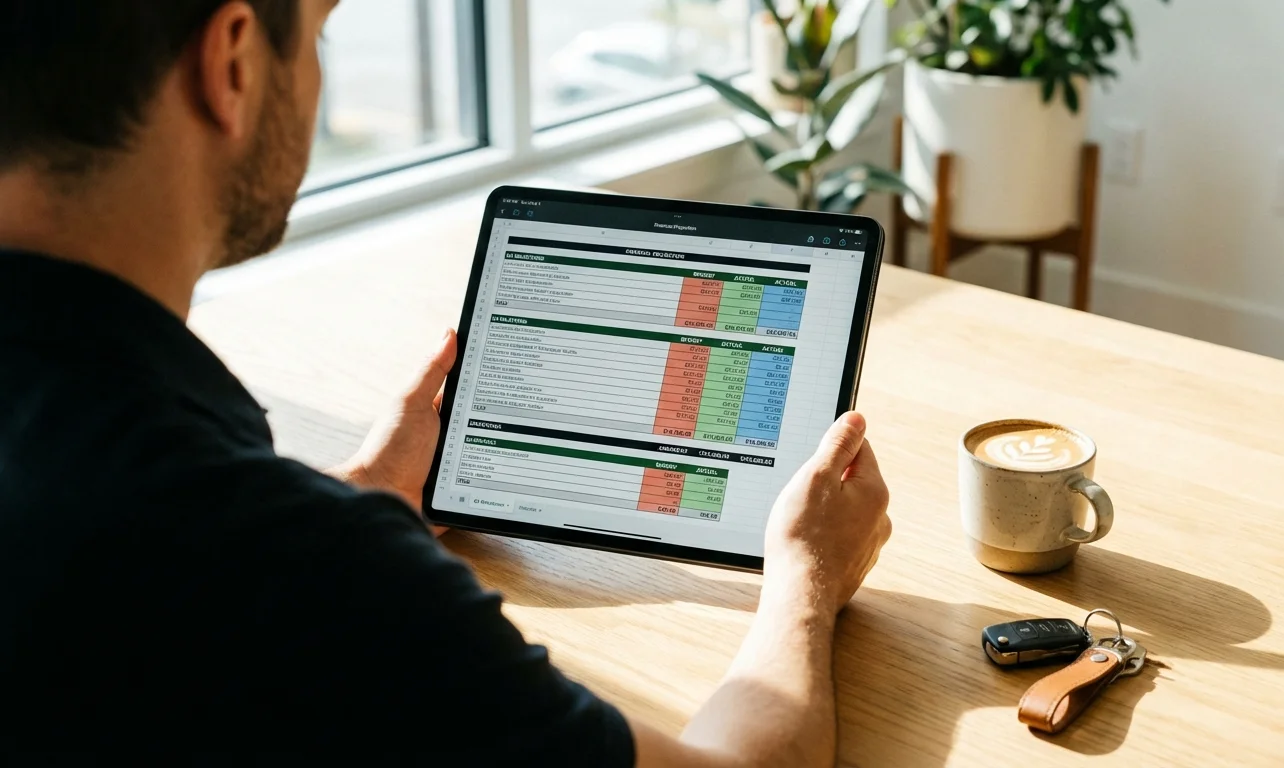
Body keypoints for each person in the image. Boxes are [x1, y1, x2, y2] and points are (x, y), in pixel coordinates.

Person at [0, 0, 891, 763]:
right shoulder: (289, 568)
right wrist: (807, 575)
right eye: (317, 37)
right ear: (231, 61)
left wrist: (362, 491)